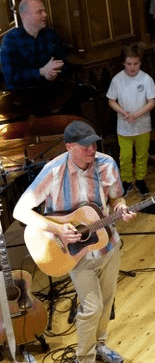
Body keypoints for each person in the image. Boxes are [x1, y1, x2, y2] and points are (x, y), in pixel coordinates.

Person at [13, 120, 135, 363]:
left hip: (108, 245)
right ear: (69, 147)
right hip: (73, 254)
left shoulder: (106, 164)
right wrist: (56, 229)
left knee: (106, 301)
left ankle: (100, 345)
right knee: (92, 307)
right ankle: (84, 358)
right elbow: (20, 211)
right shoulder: (53, 171)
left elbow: (116, 199)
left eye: (94, 144)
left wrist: (121, 208)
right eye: (85, 146)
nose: (92, 150)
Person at [0, 0, 69, 114]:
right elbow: (11, 77)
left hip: (50, 94)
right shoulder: (10, 41)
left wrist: (54, 74)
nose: (45, 15)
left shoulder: (51, 35)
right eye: (39, 12)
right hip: (21, 100)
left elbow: (64, 64)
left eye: (44, 11)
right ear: (25, 15)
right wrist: (41, 72)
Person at [106, 44, 155, 197]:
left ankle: (140, 179)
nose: (132, 67)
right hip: (124, 127)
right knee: (126, 156)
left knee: (142, 154)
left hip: (142, 126)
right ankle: (127, 180)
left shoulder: (146, 79)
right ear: (123, 63)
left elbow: (151, 102)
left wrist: (136, 114)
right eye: (129, 64)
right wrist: (124, 112)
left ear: (140, 63)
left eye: (136, 63)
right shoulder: (117, 80)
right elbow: (111, 101)